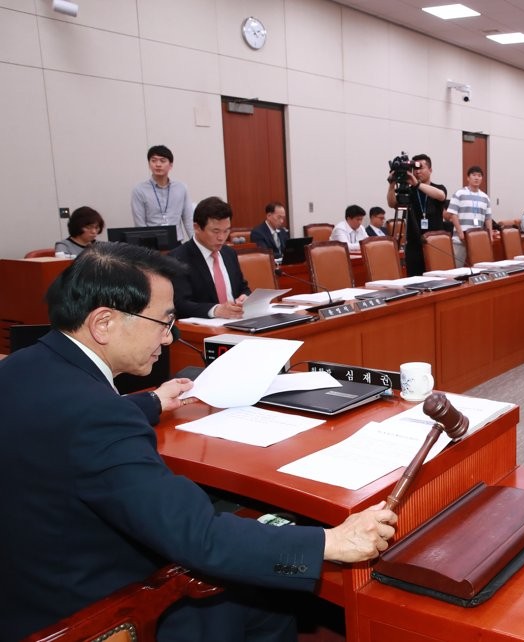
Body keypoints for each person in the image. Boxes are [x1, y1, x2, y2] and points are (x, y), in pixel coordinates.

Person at [0, 242, 397, 640]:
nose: (168, 339)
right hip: (88, 612)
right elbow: (199, 538)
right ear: (104, 323)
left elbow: (66, 423)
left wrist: (152, 402)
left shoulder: (20, 369)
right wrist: (330, 542)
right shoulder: (99, 417)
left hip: (21, 585)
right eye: (163, 322)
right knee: (267, 602)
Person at [169, 196, 250, 319]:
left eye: (226, 231)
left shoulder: (229, 253)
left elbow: (243, 288)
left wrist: (245, 297)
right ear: (197, 228)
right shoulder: (177, 259)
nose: (221, 238)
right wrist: (216, 310)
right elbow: (180, 304)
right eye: (215, 231)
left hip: (237, 321)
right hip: (203, 326)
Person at [386, 154, 447, 276]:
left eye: (421, 168)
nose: (417, 172)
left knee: (438, 280)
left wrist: (417, 184)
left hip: (434, 243)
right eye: (415, 169)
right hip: (414, 245)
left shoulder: (438, 187)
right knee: (415, 280)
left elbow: (441, 196)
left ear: (430, 170)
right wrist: (392, 184)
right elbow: (392, 204)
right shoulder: (409, 191)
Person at [130, 144, 193, 242]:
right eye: (153, 160)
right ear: (149, 164)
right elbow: (140, 224)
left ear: (170, 165)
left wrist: (196, 244)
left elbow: (188, 220)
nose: (158, 164)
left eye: (162, 161)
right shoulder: (139, 190)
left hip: (176, 242)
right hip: (152, 243)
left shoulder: (181, 188)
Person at [446, 166, 493, 267]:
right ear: (468, 178)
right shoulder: (459, 194)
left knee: (478, 268)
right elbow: (453, 214)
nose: (476, 178)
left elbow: (488, 218)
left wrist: (490, 235)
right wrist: (460, 233)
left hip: (477, 239)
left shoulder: (485, 197)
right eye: (474, 175)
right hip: (460, 240)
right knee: (457, 269)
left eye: (479, 176)